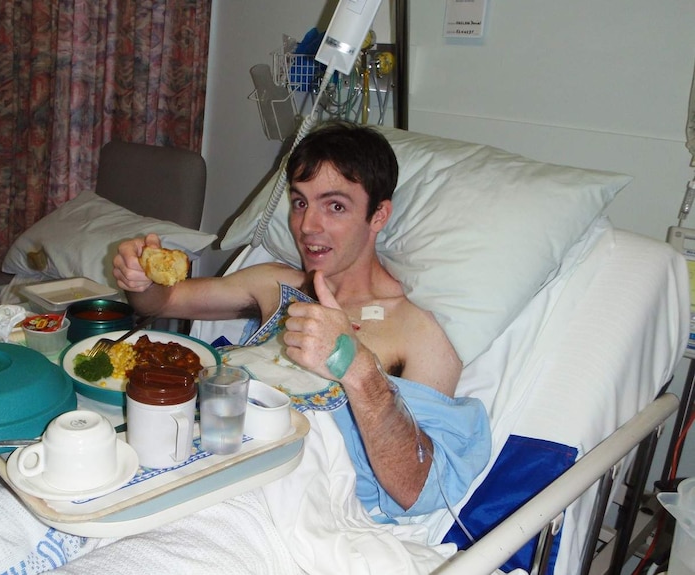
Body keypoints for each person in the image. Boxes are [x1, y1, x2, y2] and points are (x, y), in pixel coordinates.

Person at [113, 121, 490, 520]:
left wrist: (355, 364)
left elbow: (417, 487)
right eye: (300, 202)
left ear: (378, 215)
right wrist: (139, 279)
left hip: (288, 508)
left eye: (336, 206)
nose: (308, 226)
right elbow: (163, 302)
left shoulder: (417, 332)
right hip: (193, 461)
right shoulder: (276, 285)